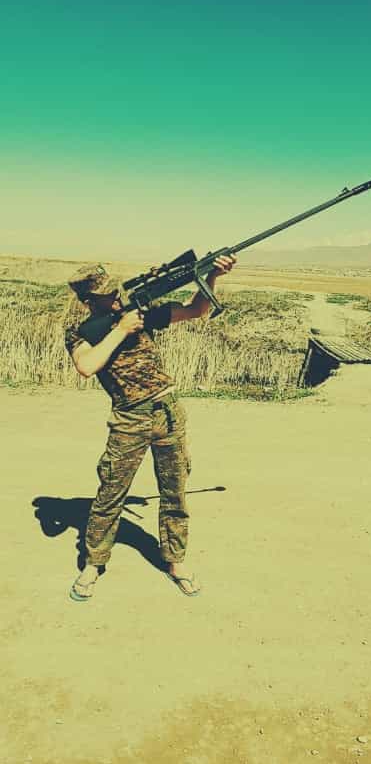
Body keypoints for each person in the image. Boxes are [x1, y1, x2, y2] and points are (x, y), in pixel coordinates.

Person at [65, 254, 236, 601]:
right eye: (106, 295)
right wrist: (121, 330)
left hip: (168, 412)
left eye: (115, 290)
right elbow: (86, 366)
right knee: (111, 493)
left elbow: (196, 309)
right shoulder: (81, 332)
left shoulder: (139, 313)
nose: (115, 297)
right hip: (129, 419)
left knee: (175, 492)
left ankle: (175, 561)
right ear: (88, 301)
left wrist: (212, 276)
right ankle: (94, 563)